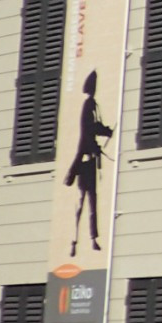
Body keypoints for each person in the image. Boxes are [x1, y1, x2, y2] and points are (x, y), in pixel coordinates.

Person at [66, 70, 112, 257]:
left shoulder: (94, 105)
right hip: (85, 160)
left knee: (92, 202)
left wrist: (105, 132)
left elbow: (97, 126)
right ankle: (74, 240)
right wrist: (106, 132)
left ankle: (93, 238)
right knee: (81, 202)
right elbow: (90, 129)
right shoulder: (89, 105)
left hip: (91, 160)